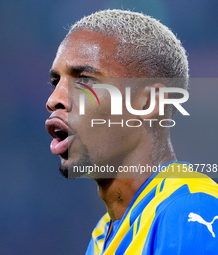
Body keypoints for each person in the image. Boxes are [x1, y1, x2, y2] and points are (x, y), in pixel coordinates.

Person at [45, 9, 218, 254]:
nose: (54, 100)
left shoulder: (190, 209)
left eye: (84, 79)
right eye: (56, 82)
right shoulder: (103, 234)